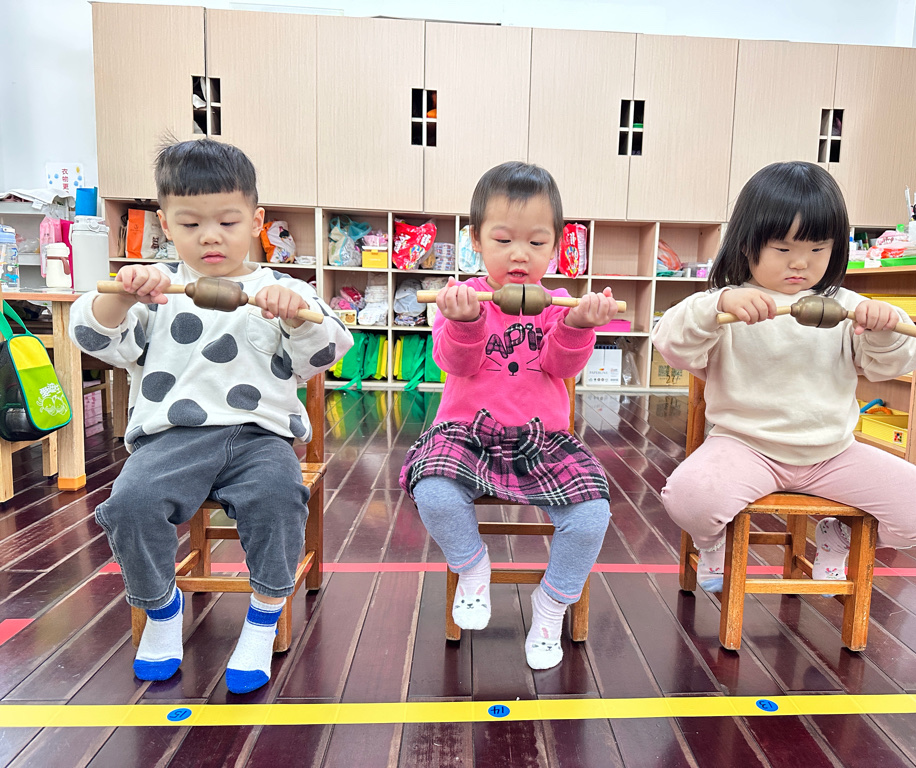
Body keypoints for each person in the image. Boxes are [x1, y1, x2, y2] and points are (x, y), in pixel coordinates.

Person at [70, 139, 352, 693]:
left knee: (279, 499)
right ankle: (161, 608)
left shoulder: (283, 288)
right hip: (171, 439)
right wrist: (122, 296)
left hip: (259, 439)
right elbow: (95, 336)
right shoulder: (156, 288)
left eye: (227, 221)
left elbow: (327, 350)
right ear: (165, 225)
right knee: (130, 504)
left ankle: (263, 616)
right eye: (190, 223)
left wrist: (298, 318)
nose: (210, 236)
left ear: (257, 221)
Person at [652, 161, 916, 592]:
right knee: (689, 498)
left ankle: (839, 535)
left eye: (818, 249)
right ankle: (713, 541)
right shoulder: (729, 304)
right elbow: (670, 342)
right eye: (783, 249)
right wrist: (717, 304)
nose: (800, 263)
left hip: (833, 453)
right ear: (747, 245)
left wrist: (886, 329)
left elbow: (894, 364)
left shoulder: (846, 305)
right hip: (745, 447)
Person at [400, 161, 617, 669]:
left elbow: (562, 366)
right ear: (476, 240)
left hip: (543, 441)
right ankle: (472, 565)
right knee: (431, 488)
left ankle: (552, 604)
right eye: (503, 240)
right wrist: (464, 321)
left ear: (556, 246)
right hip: (466, 434)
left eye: (536, 242)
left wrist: (579, 326)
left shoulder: (559, 304)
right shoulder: (460, 299)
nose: (520, 254)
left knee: (592, 514)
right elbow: (456, 364)